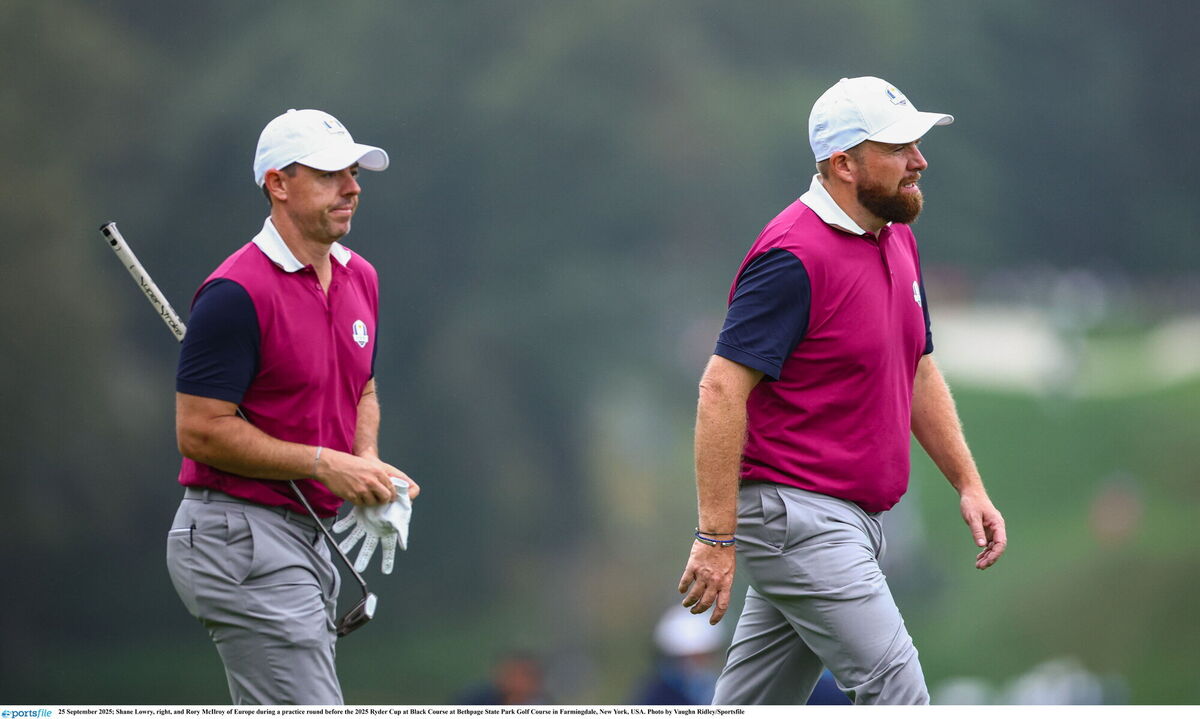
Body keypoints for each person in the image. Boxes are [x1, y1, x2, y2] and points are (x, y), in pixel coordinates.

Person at [676, 77, 1007, 705]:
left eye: (917, 144)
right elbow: (720, 388)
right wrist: (716, 537)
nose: (919, 160)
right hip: (799, 521)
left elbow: (917, 368)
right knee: (898, 696)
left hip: (847, 522)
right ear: (844, 164)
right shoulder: (792, 255)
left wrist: (968, 483)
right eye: (899, 147)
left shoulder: (896, 234)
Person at [165, 109, 420, 705]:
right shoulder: (235, 293)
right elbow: (200, 433)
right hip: (236, 535)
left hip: (307, 534)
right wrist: (327, 465)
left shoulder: (362, 278)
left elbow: (362, 388)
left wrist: (366, 467)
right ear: (278, 183)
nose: (352, 187)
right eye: (331, 174)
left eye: (353, 173)